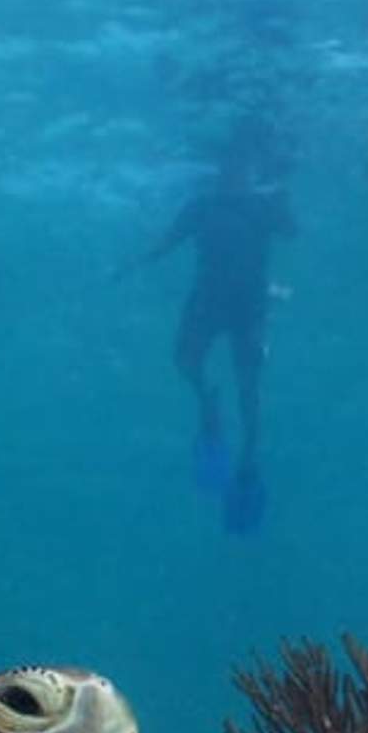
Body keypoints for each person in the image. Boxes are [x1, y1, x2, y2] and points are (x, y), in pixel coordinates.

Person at [142, 122, 296, 534]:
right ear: (219, 167)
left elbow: (291, 230)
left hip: (250, 304)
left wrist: (281, 195)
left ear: (251, 168)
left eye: (242, 165)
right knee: (184, 360)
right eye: (228, 164)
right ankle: (209, 405)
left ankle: (248, 459)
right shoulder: (202, 204)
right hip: (208, 299)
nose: (234, 171)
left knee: (249, 385)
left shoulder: (263, 204)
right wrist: (137, 261)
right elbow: (167, 241)